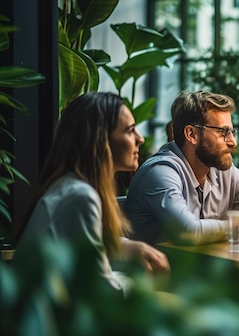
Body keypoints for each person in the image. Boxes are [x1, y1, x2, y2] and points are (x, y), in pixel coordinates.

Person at [11, 92, 170, 296]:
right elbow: (100, 290)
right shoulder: (81, 197)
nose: (139, 139)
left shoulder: (70, 186)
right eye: (129, 131)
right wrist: (146, 291)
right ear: (100, 139)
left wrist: (128, 247)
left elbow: (82, 244)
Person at [123, 90, 239, 245]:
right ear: (191, 134)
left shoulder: (225, 170)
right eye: (223, 132)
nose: (233, 142)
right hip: (149, 271)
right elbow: (188, 232)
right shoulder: (159, 172)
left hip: (201, 268)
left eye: (232, 131)